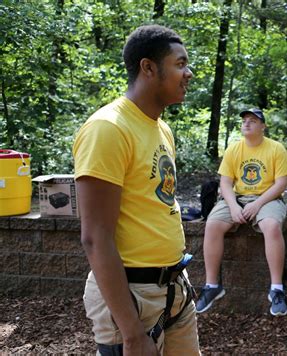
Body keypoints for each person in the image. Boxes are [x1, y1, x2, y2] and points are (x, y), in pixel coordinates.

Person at [73, 25, 199, 355]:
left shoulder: (162, 129)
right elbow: (95, 236)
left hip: (174, 292)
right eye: (180, 63)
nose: (189, 72)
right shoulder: (108, 129)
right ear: (148, 67)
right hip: (133, 300)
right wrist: (131, 332)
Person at [195, 108, 287, 316]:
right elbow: (225, 182)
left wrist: (257, 205)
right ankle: (212, 286)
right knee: (212, 225)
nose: (247, 124)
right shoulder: (234, 149)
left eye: (253, 121)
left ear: (263, 126)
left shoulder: (276, 149)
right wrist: (232, 206)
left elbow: (281, 184)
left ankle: (276, 289)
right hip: (237, 198)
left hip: (267, 198)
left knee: (272, 226)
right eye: (245, 121)